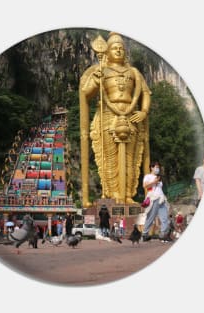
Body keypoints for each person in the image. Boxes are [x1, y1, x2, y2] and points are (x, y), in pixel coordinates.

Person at [79, 32, 151, 206]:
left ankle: (127, 195)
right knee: (109, 157)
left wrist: (144, 111)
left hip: (131, 115)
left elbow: (146, 93)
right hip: (108, 116)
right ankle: (113, 194)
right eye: (115, 48)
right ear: (108, 51)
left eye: (121, 48)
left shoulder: (133, 72)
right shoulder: (101, 70)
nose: (119, 51)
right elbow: (85, 93)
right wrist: (96, 82)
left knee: (130, 157)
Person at [142, 161, 171, 242]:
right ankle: (145, 233)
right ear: (152, 167)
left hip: (161, 198)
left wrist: (158, 181)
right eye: (156, 167)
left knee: (164, 216)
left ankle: (163, 233)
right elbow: (145, 186)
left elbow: (160, 187)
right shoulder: (148, 176)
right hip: (153, 198)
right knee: (151, 216)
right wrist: (154, 182)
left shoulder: (159, 178)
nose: (157, 169)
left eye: (158, 167)